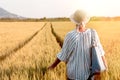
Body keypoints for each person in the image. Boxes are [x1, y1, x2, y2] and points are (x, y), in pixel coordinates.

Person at [48, 10, 107, 80]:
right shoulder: (93, 33)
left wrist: (52, 66)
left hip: (73, 75)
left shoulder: (70, 35)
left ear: (74, 20)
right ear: (86, 20)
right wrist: (105, 67)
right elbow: (100, 52)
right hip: (90, 75)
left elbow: (63, 55)